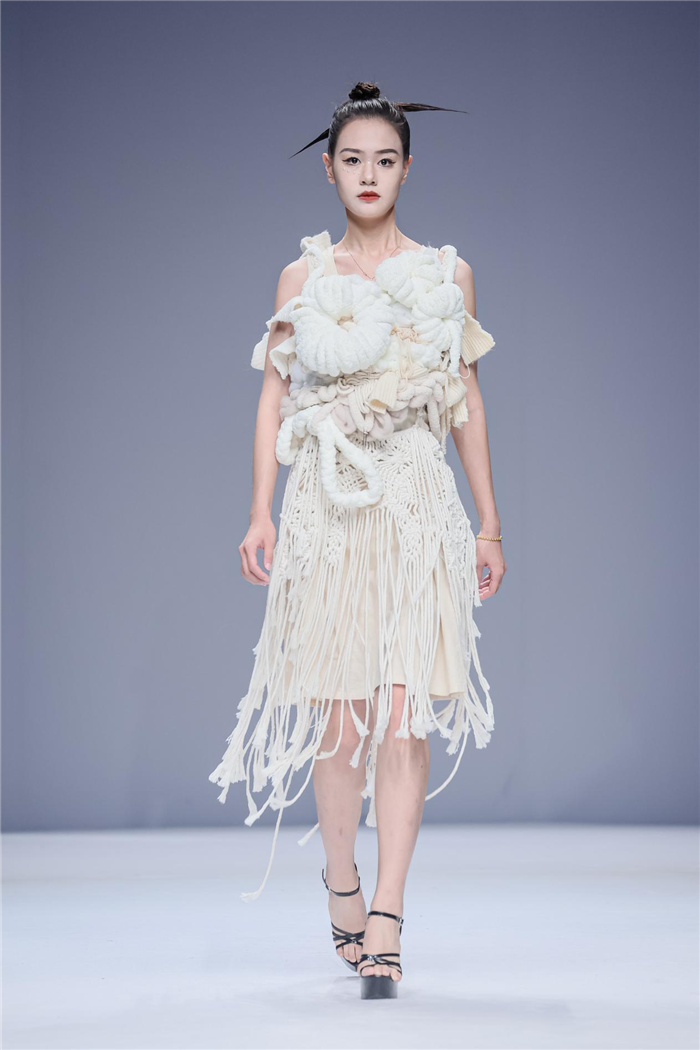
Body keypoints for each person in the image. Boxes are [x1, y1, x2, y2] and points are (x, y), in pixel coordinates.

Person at [209, 81, 506, 1000]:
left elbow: (466, 401)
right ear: (329, 170)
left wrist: (490, 522)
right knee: (341, 717)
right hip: (329, 505)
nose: (368, 174)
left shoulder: (447, 274)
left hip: (416, 499)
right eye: (352, 159)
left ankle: (388, 912)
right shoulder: (302, 278)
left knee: (403, 710)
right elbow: (272, 397)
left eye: (384, 160)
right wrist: (260, 512)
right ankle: (341, 878)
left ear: (407, 169)